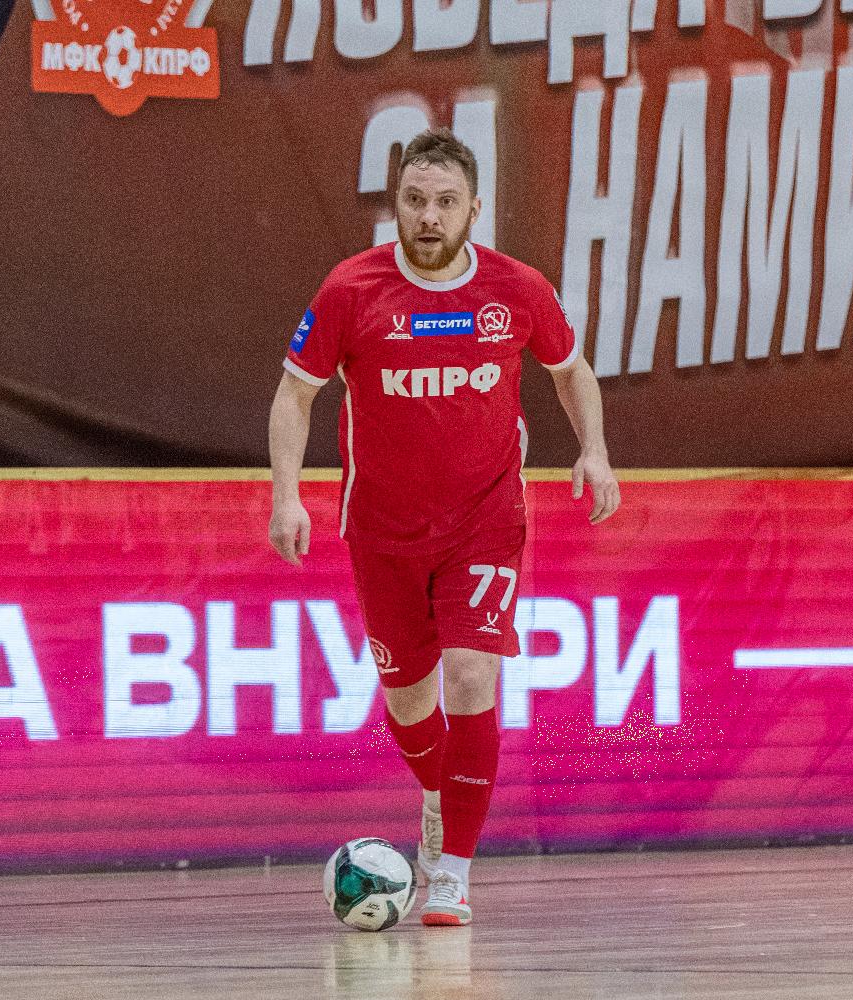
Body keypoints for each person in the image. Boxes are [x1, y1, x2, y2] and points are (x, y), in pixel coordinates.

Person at [267, 127, 619, 927]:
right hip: (381, 530)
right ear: (395, 204)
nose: (429, 216)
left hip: (483, 523)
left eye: (446, 202)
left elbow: (570, 371)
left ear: (474, 209)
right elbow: (295, 394)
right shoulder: (351, 289)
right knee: (408, 702)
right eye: (415, 200)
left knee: (470, 676)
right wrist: (287, 496)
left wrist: (594, 451)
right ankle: (436, 792)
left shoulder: (517, 289)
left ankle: (453, 871)